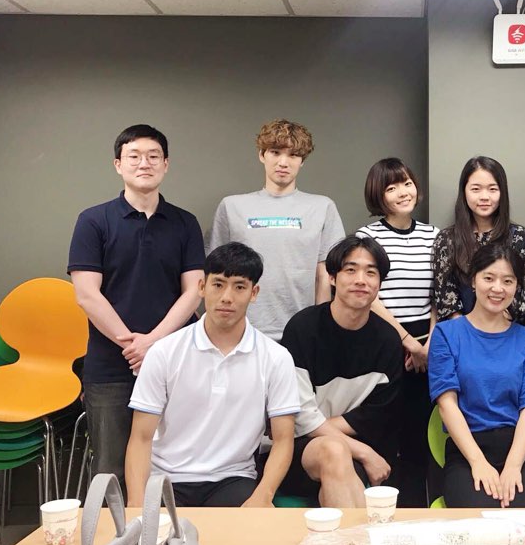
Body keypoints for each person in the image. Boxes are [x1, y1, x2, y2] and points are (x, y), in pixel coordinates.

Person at [68, 124, 204, 486]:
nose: (145, 163)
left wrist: (153, 344)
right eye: (134, 156)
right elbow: (86, 294)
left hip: (176, 362)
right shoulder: (93, 221)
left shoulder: (185, 223)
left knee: (177, 467)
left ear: (166, 164)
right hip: (110, 367)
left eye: (153, 156)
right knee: (111, 470)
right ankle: (118, 529)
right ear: (118, 164)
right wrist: (133, 346)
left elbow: (194, 291)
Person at [125, 243, 299, 507]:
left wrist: (262, 496)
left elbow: (284, 440)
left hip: (233, 478)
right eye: (218, 284)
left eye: (239, 287)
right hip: (167, 478)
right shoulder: (164, 352)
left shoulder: (276, 357)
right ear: (202, 287)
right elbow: (140, 438)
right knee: (154, 533)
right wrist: (137, 505)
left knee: (255, 528)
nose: (227, 297)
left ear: (254, 293)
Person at [279, 236, 403, 508]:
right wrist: (365, 452)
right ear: (333, 278)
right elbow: (296, 412)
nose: (361, 280)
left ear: (379, 283)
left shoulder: (388, 341)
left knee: (338, 460)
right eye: (350, 270)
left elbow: (377, 415)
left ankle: (346, 537)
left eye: (371, 273)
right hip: (297, 450)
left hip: (348, 449)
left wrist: (316, 425)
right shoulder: (302, 329)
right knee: (334, 451)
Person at [428, 243, 525, 508]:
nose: (498, 288)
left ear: (517, 286)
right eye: (489, 278)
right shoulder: (446, 334)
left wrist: (513, 466)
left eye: (508, 281)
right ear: (473, 280)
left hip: (521, 450)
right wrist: (478, 463)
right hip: (468, 450)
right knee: (482, 518)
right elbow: (447, 405)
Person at [206, 118, 345, 342]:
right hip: (242, 330)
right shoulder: (232, 206)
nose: (283, 162)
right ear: (262, 155)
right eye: (275, 152)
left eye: (293, 155)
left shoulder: (322, 207)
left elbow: (324, 275)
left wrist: (321, 326)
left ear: (302, 161)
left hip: (301, 331)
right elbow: (214, 272)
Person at [356, 158, 439, 508]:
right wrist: (406, 342)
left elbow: (439, 293)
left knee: (422, 433)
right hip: (385, 339)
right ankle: (383, 508)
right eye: (391, 188)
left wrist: (430, 343)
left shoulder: (433, 236)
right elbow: (368, 295)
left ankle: (420, 509)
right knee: (386, 429)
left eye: (406, 183)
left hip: (429, 342)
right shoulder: (367, 237)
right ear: (379, 195)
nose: (403, 192)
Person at [432, 156, 525, 324]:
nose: (484, 197)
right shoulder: (446, 239)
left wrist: (493, 329)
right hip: (460, 331)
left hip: (506, 329)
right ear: (464, 192)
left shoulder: (519, 237)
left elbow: (522, 294)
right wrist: (469, 332)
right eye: (476, 189)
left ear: (502, 192)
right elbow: (446, 298)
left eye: (492, 189)